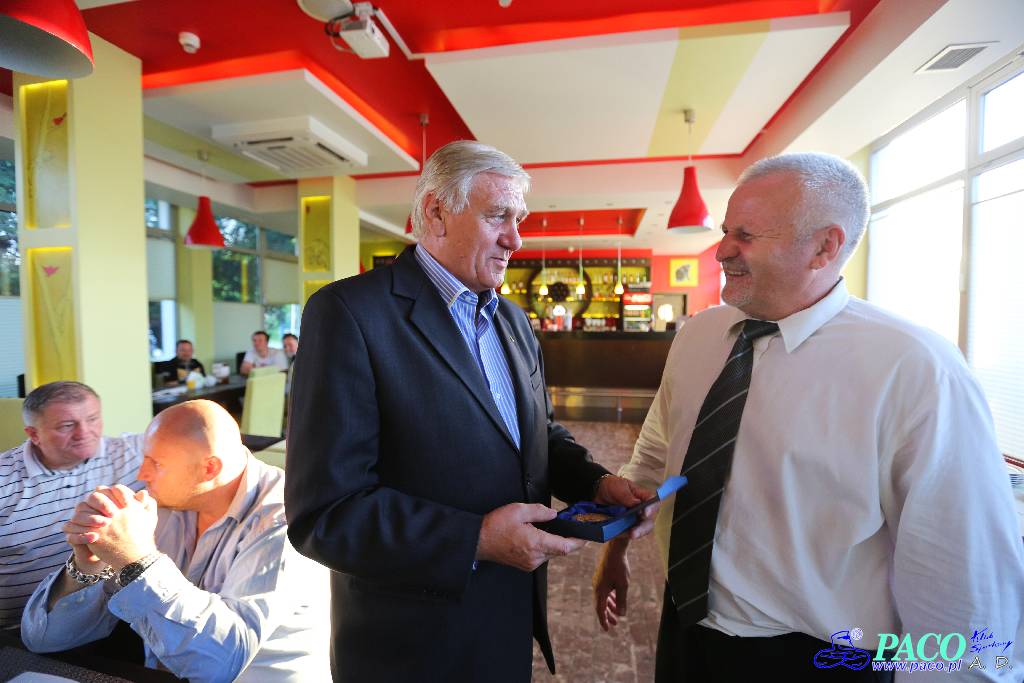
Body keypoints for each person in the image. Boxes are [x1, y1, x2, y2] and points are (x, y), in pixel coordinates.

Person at [592, 152, 1024, 681]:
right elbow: (659, 448)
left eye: (746, 235)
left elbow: (960, 575)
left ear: (825, 247)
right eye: (726, 231)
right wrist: (616, 545)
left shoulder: (915, 369)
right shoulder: (699, 336)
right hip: (685, 629)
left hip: (822, 657)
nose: (721, 251)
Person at [285, 140, 655, 682]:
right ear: (436, 212)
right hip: (411, 644)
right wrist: (475, 539)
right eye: (498, 216)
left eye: (518, 219)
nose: (516, 239)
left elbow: (536, 434)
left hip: (507, 618)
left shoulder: (513, 320)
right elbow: (325, 514)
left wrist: (594, 484)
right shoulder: (349, 314)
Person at [21, 399, 330, 683]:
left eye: (155, 463)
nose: (142, 474)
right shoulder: (167, 504)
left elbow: (218, 666)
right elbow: (42, 638)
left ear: (209, 468)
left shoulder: (282, 523)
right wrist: (87, 565)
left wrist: (137, 560)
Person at [0, 382, 142, 630]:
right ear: (33, 434)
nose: (84, 432)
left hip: (114, 618)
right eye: (67, 426)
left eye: (92, 419)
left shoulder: (133, 453)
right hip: (19, 629)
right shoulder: (4, 480)